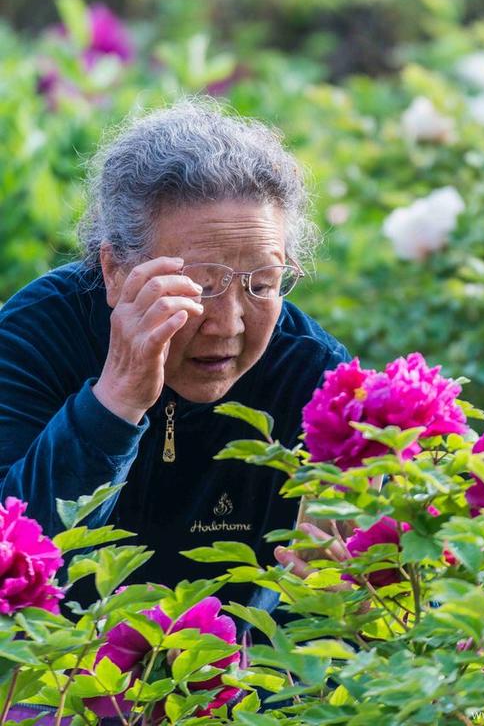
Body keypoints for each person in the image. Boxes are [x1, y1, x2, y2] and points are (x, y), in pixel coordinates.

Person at [0, 97, 350, 606]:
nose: (227, 324)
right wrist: (115, 400)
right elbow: (12, 560)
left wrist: (354, 596)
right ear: (115, 270)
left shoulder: (312, 374)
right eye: (198, 285)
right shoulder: (35, 337)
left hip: (230, 675)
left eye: (261, 285)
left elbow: (375, 617)